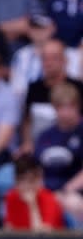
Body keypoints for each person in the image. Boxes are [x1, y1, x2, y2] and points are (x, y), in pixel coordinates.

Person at [20, 38, 83, 152]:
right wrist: (27, 143)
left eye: (54, 58)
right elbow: (27, 121)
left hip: (73, 148)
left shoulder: (78, 88)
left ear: (65, 60)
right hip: (38, 148)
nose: (48, 63)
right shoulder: (34, 88)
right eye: (44, 58)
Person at [33, 83, 83, 225]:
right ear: (55, 108)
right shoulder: (45, 136)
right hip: (46, 190)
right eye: (61, 107)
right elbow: (37, 168)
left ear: (78, 107)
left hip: (74, 191)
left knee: (72, 203)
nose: (66, 112)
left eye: (70, 107)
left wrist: (66, 189)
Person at [4, 154, 65, 231]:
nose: (26, 185)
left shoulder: (50, 200)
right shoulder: (11, 197)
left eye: (31, 180)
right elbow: (9, 230)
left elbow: (41, 238)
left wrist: (32, 205)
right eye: (21, 179)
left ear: (40, 179)